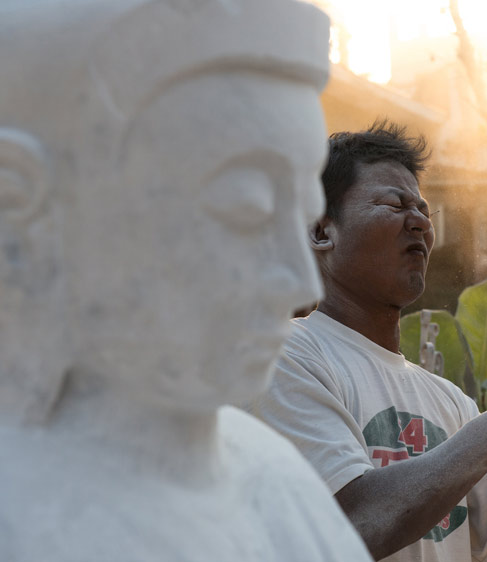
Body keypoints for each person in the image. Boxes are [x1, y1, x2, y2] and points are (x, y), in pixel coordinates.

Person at [0, 1, 371, 561]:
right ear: (21, 205)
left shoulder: (277, 484)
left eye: (301, 218)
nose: (301, 285)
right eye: (243, 209)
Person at [254, 120, 487, 561]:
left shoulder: (449, 402)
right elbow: (351, 526)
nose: (419, 221)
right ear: (323, 231)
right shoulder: (284, 357)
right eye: (394, 204)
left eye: (423, 208)